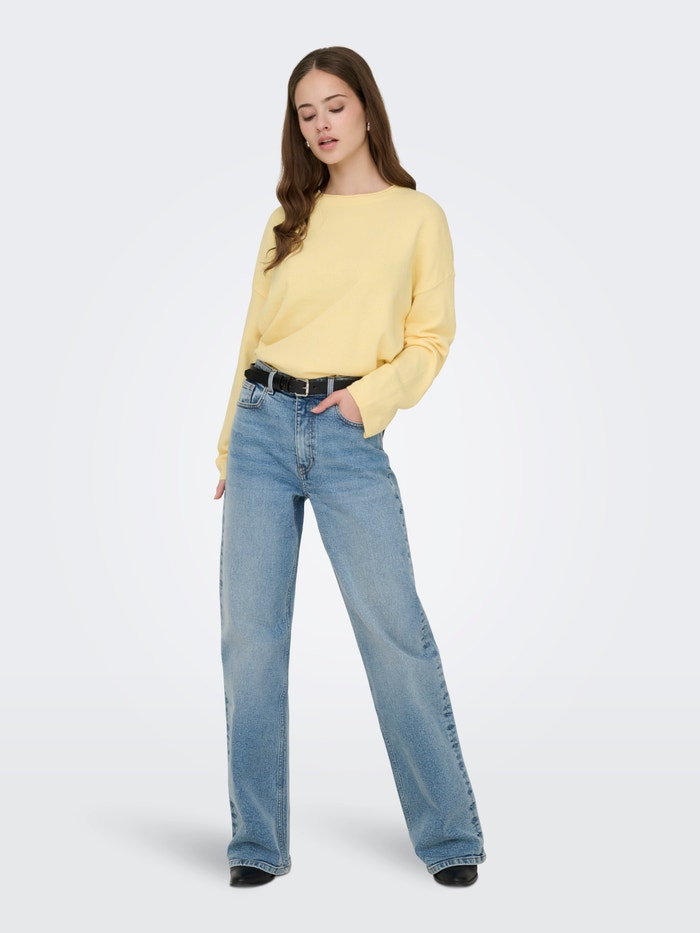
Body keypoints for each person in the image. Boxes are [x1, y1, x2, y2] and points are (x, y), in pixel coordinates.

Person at [214, 46, 486, 888]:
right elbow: (252, 337)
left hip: (346, 432)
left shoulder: (418, 216)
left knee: (394, 631)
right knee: (250, 641)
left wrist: (370, 400)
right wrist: (227, 444)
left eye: (334, 105)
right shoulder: (287, 219)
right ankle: (256, 841)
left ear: (366, 107)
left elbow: (430, 338)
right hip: (262, 429)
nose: (322, 124)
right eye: (306, 114)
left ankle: (450, 834)